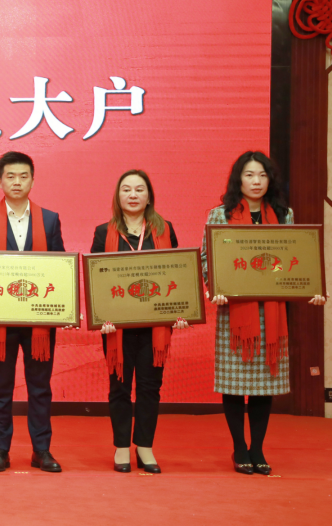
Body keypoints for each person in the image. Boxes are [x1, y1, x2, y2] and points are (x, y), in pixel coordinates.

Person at [201, 151, 326, 476]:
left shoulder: (284, 215)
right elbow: (206, 259)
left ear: (270, 180)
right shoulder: (220, 215)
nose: (256, 182)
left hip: (272, 316)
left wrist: (310, 287)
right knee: (233, 383)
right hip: (234, 315)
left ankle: (257, 448)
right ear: (238, 180)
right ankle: (239, 447)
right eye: (249, 175)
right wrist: (214, 286)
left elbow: (296, 259)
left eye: (262, 175)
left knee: (262, 385)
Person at [0, 151, 66, 473]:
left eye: (24, 176)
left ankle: (42, 451)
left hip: (39, 323)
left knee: (40, 388)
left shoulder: (49, 219)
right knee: (0, 389)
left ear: (33, 180)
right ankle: (0, 451)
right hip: (0, 323)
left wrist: (66, 308)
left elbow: (60, 268)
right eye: (10, 176)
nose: (17, 182)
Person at [90, 169, 189, 473]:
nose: (132, 195)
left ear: (149, 197)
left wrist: (180, 311)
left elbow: (176, 273)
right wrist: (100, 316)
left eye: (139, 189)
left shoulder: (165, 229)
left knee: (149, 387)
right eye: (126, 190)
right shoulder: (102, 232)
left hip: (153, 327)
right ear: (118, 196)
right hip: (116, 328)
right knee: (119, 388)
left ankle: (145, 447)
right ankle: (122, 447)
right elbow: (96, 280)